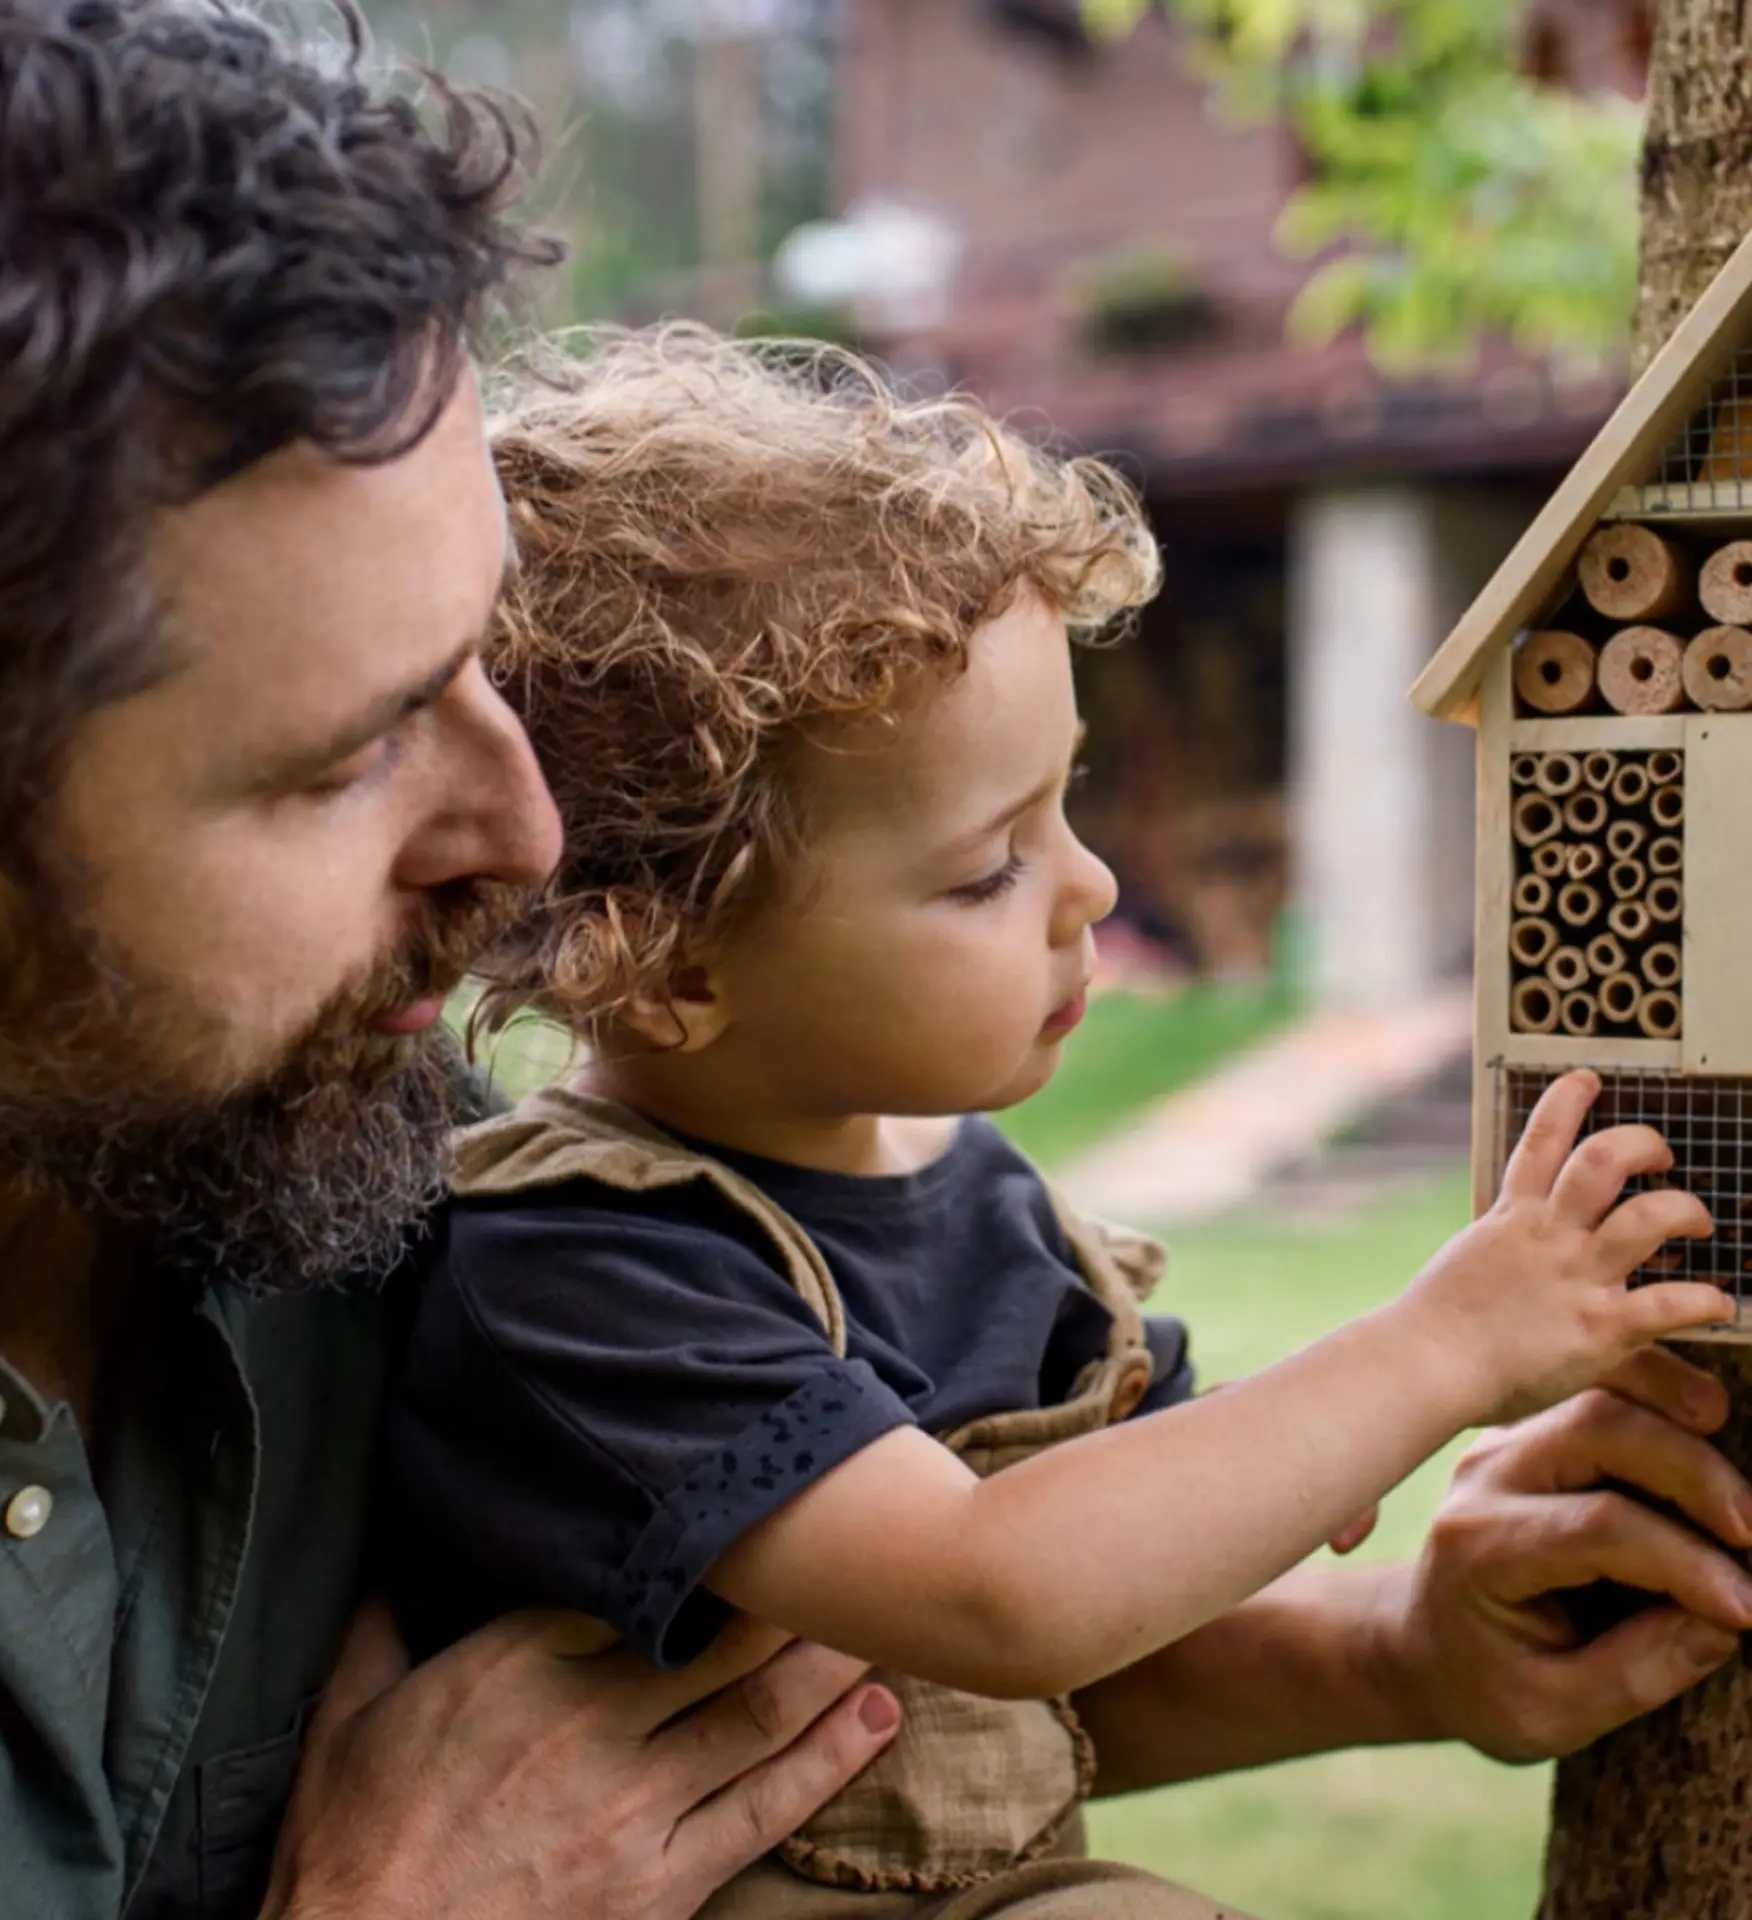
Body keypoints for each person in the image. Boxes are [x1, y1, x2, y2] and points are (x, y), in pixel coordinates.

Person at [0, 5, 1747, 1919]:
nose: (530, 852)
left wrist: (1395, 1653)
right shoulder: (570, 1258)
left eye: (484, 671)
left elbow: (885, 1707)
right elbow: (985, 1592)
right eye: (345, 755)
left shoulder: (334, 1137)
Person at [377, 329, 1741, 1917]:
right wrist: (1439, 1351)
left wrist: (1393, 1617)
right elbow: (997, 1591)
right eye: (986, 868)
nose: (1090, 889)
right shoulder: (579, 1263)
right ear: (670, 967)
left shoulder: (980, 1201)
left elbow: (1096, 1639)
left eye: (1067, 804)